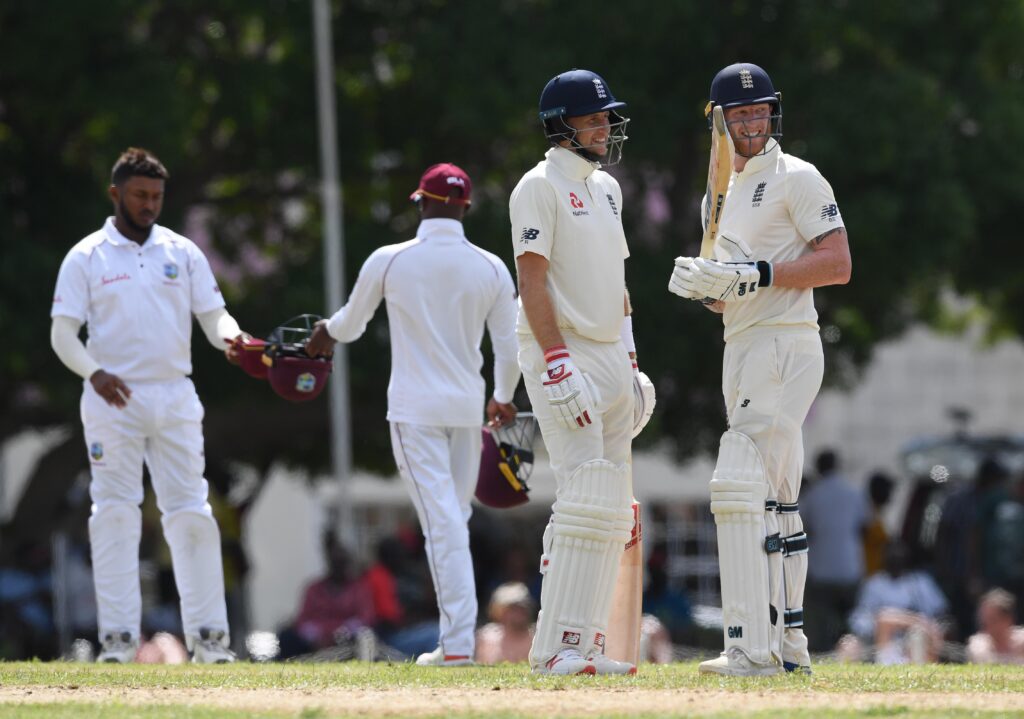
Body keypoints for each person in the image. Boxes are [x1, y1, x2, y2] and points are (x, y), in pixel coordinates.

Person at [668, 63, 852, 676]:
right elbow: (728, 293)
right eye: (738, 115)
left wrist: (761, 274)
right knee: (776, 499)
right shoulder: (720, 193)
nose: (750, 123)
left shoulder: (796, 177)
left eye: (759, 112)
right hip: (742, 341)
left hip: (783, 342)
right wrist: (707, 285)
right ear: (719, 121)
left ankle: (752, 648)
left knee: (742, 485)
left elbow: (837, 263)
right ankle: (789, 649)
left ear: (772, 114)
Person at [305, 163, 521, 667]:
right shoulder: (490, 266)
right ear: (465, 207)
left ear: (420, 201)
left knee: (445, 523)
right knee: (453, 520)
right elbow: (508, 345)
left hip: (415, 411)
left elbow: (352, 325)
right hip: (468, 410)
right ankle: (458, 643)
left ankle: (459, 647)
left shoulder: (391, 259)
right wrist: (503, 395)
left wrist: (324, 331)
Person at [50, 148, 246, 663]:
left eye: (156, 197)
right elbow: (62, 333)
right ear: (115, 194)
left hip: (175, 394)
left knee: (192, 513)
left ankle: (209, 639)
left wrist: (236, 341)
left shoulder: (182, 252)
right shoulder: (87, 256)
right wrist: (94, 372)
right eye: (139, 195)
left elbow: (215, 316)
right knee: (114, 513)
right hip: (111, 397)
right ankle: (116, 641)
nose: (149, 205)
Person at [510, 68, 654, 676]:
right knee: (582, 494)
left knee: (614, 507)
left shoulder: (608, 189)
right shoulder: (537, 186)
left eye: (604, 118)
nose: (604, 127)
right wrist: (557, 361)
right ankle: (557, 647)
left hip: (607, 351)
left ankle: (589, 642)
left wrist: (630, 359)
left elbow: (618, 286)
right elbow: (532, 278)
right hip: (560, 348)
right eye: (593, 118)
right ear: (561, 126)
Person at [801, 449, 869, 651]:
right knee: (850, 622)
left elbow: (803, 528)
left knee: (822, 624)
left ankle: (823, 653)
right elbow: (864, 528)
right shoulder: (854, 492)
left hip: (821, 570)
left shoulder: (813, 495)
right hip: (850, 568)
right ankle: (851, 653)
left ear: (818, 468)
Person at [846, 542, 948, 664]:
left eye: (900, 553)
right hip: (883, 641)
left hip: (916, 639)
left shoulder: (921, 581)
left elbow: (940, 613)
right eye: (892, 553)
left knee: (918, 634)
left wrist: (927, 627)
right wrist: (895, 622)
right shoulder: (874, 584)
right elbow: (859, 621)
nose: (896, 557)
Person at [277, 534, 376, 659]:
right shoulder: (314, 589)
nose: (339, 568)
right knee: (287, 636)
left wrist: (342, 633)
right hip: (315, 641)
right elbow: (302, 620)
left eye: (342, 563)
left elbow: (366, 619)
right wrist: (317, 636)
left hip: (348, 640)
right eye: (336, 564)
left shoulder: (359, 588)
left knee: (368, 636)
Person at [474, 582, 536, 664]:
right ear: (499, 611)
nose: (519, 613)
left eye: (523, 607)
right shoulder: (487, 639)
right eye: (513, 608)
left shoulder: (537, 638)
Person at [966, 588, 1024, 664]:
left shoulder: (1022, 642)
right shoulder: (977, 648)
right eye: (984, 620)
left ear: (1008, 619)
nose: (987, 625)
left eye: (993, 620)